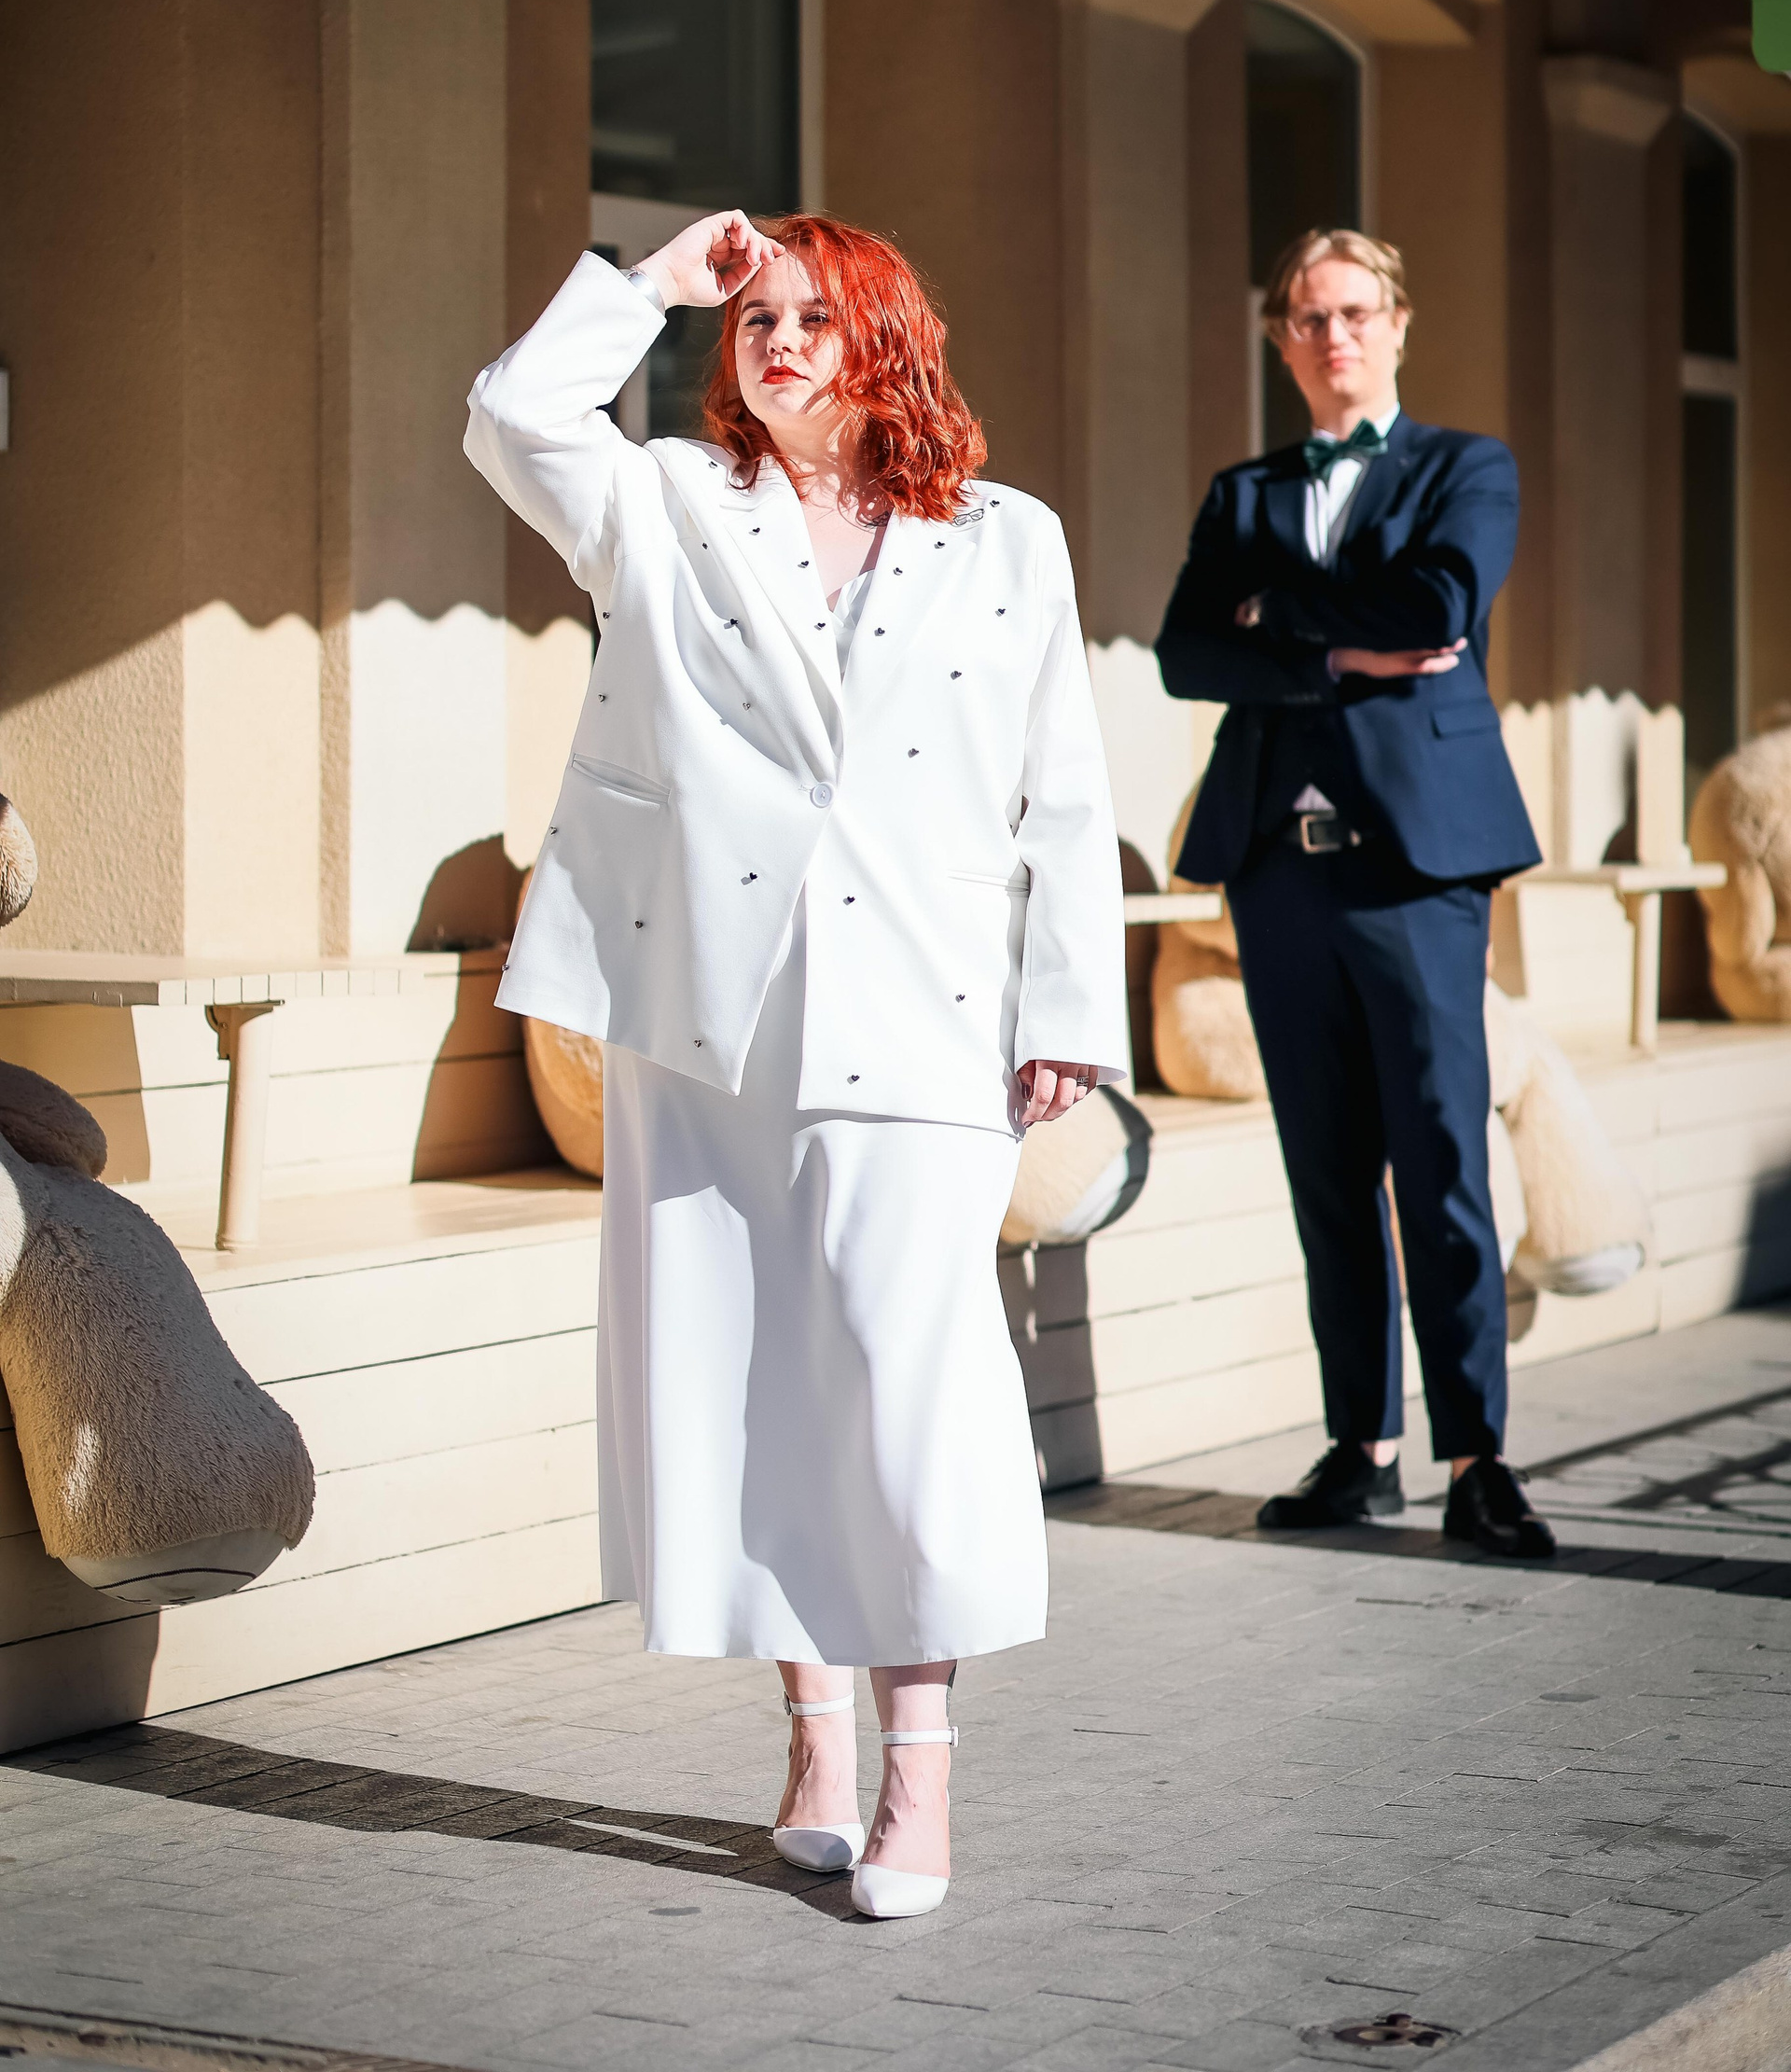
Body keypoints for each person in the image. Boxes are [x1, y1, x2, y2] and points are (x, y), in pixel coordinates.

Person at [466, 209, 1126, 1915]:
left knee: (914, 1386)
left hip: (927, 1011)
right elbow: (516, 416)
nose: (776, 340)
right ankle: (816, 1745)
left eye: (814, 317)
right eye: (756, 318)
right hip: (716, 1018)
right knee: (748, 1375)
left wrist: (1069, 1007)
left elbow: (1063, 787)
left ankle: (924, 1773)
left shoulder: (1008, 537)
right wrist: (654, 282)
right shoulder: (671, 504)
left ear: (883, 336)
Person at [1154, 229, 1555, 1561]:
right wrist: (1342, 650)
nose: (1335, 336)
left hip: (1416, 867)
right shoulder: (1244, 493)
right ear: (1282, 340)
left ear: (1399, 323)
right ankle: (1360, 1449)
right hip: (1278, 867)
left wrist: (1278, 617)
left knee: (1440, 1160)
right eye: (1310, 318)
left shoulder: (1467, 468)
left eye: (1356, 312)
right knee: (1326, 1167)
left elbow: (1439, 604)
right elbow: (1186, 654)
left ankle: (1478, 1458)